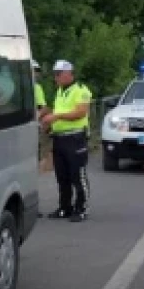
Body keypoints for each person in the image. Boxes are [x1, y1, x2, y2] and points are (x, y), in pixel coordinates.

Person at [41, 60, 92, 222]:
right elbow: (56, 111)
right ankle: (65, 207)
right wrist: (49, 124)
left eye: (59, 74)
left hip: (75, 138)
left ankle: (81, 208)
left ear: (69, 74)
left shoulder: (81, 89)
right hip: (59, 138)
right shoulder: (59, 91)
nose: (56, 77)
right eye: (55, 74)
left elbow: (80, 113)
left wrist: (57, 116)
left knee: (78, 175)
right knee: (62, 176)